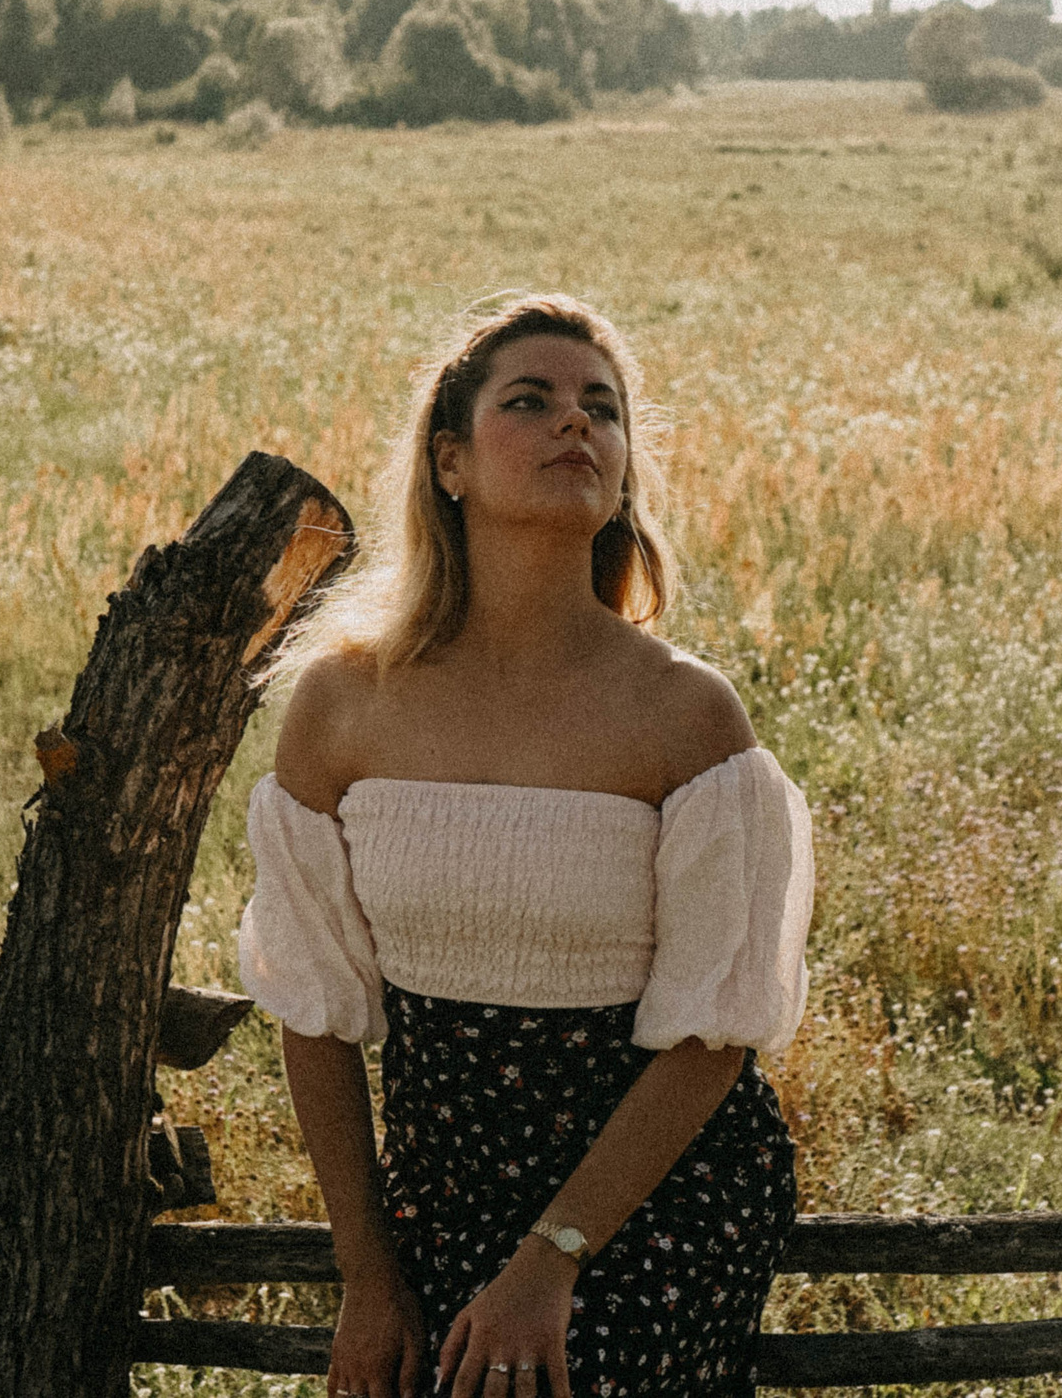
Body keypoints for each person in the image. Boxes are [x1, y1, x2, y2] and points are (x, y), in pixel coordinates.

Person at [238, 294, 815, 1398]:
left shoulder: (684, 714)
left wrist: (549, 1262)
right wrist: (366, 1272)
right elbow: (313, 1013)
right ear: (448, 460)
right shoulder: (345, 702)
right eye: (531, 401)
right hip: (441, 1184)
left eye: (602, 407)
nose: (575, 425)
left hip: (648, 1195)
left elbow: (712, 1033)